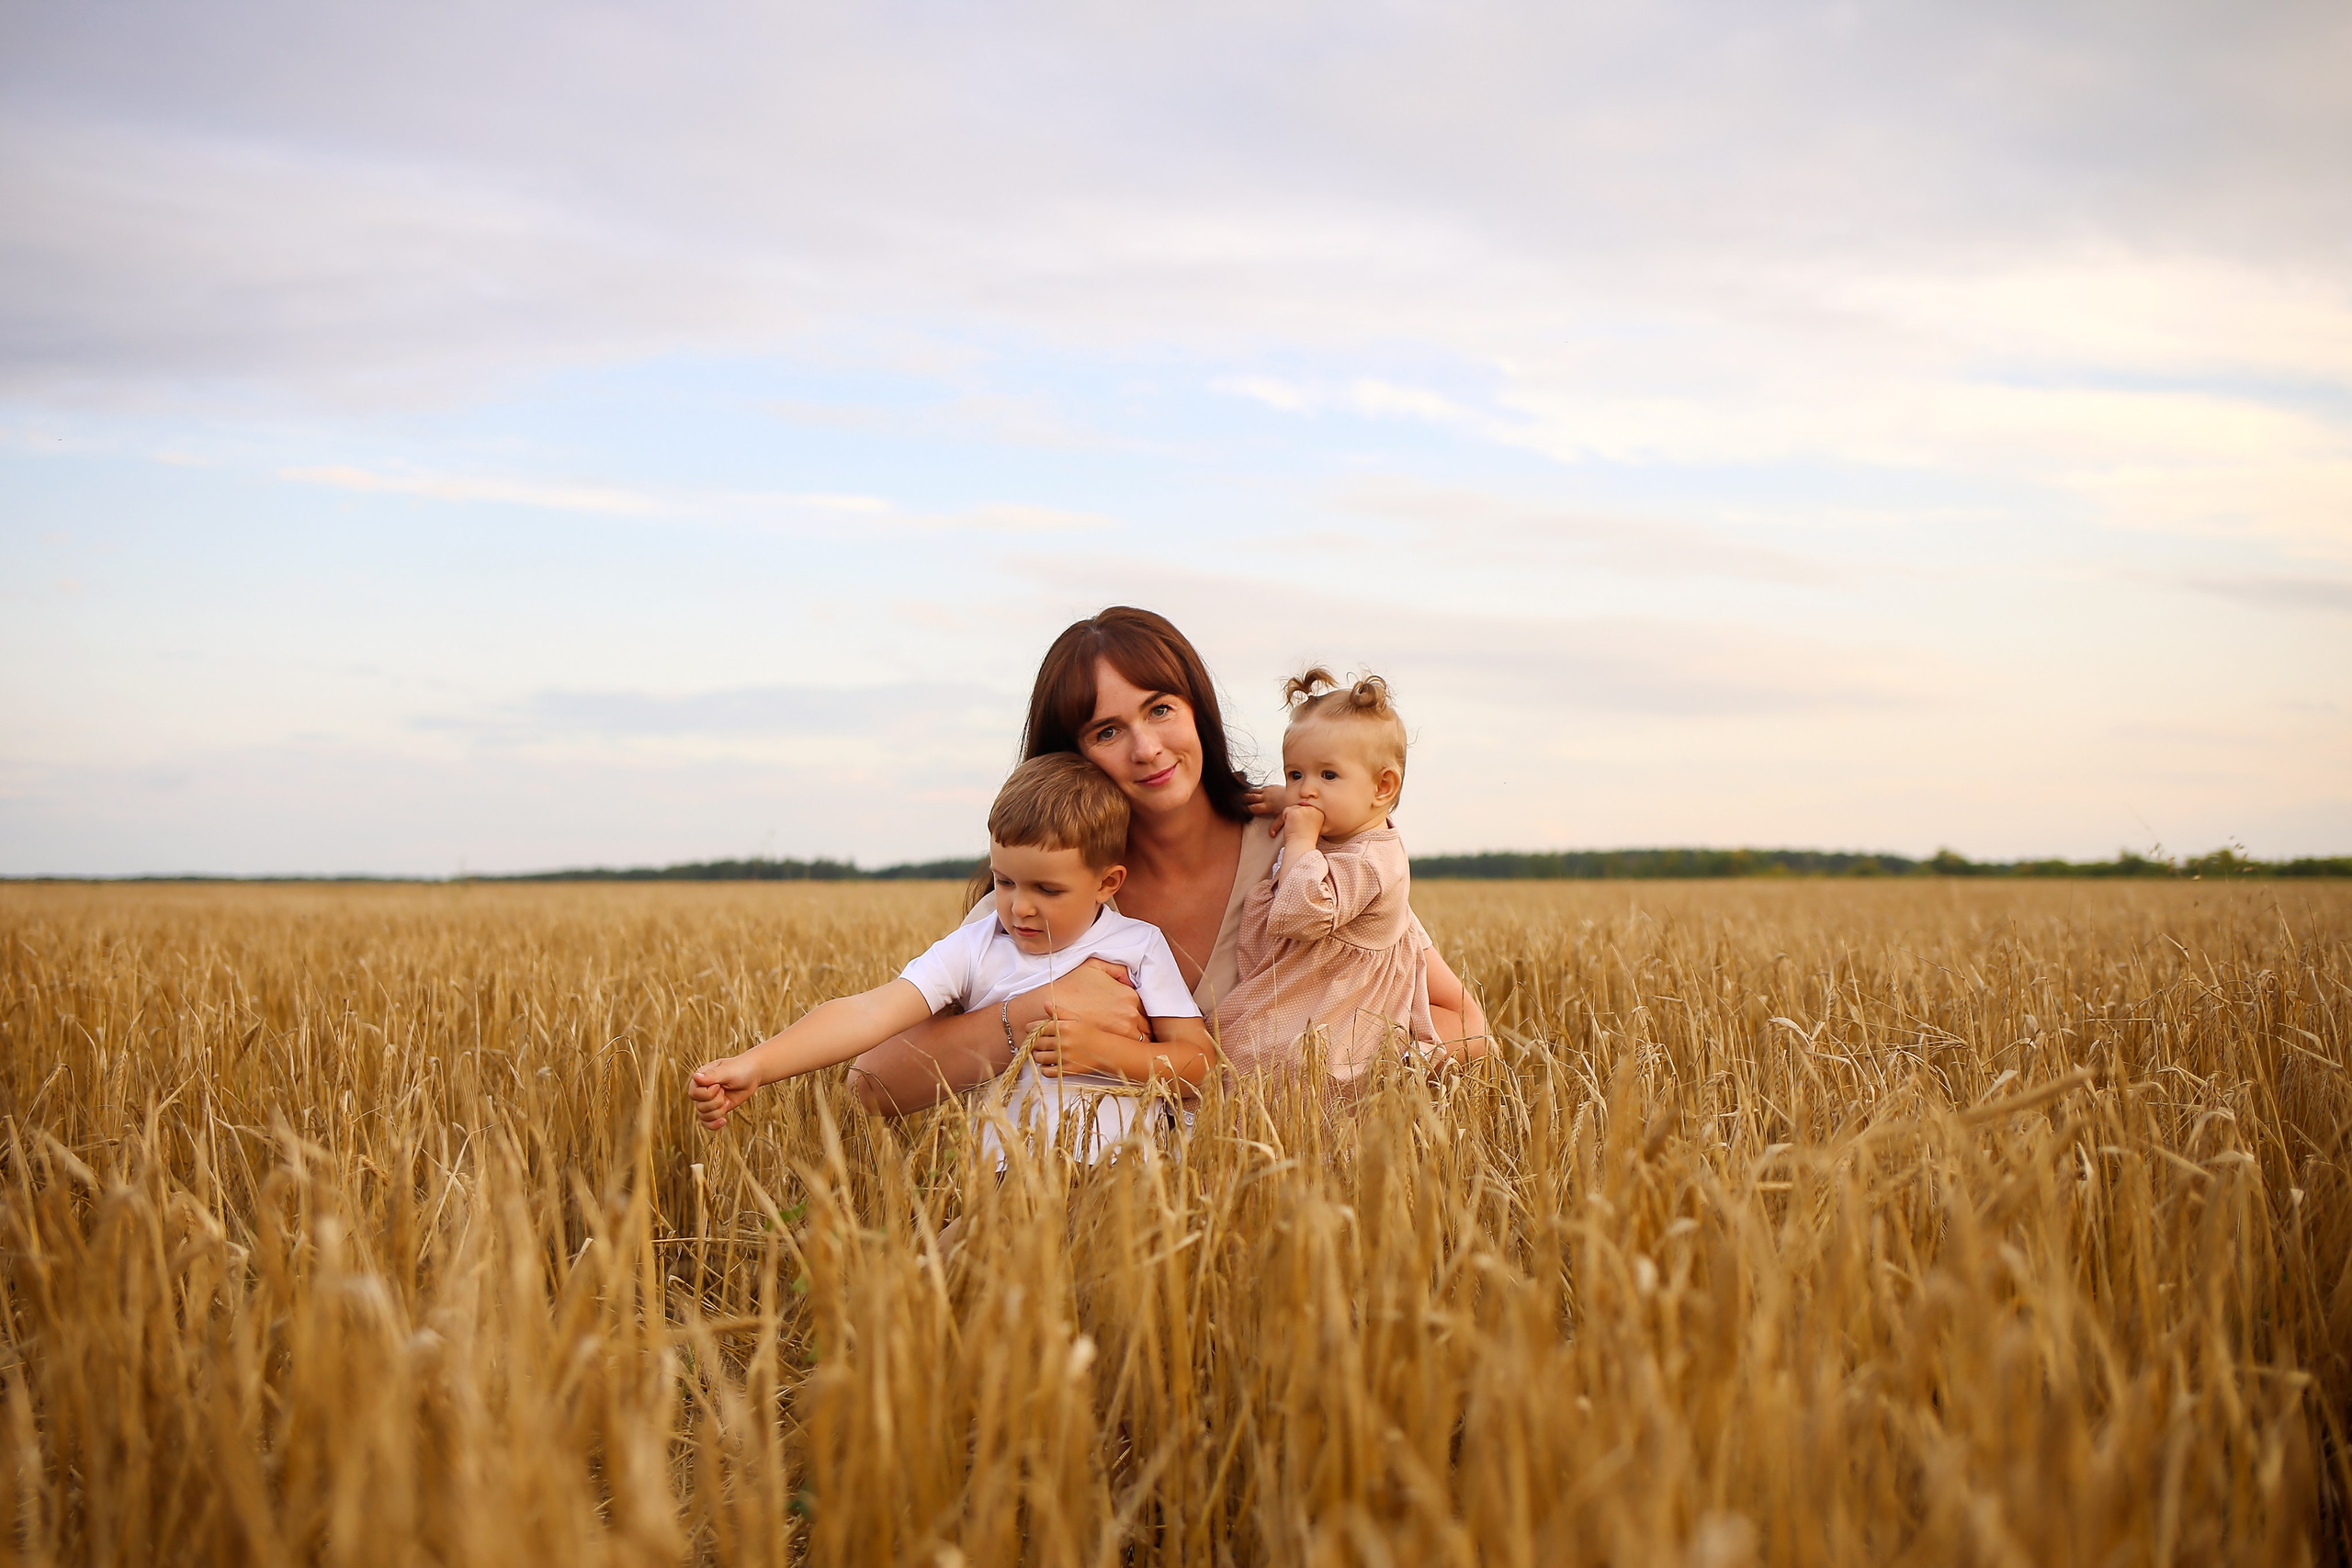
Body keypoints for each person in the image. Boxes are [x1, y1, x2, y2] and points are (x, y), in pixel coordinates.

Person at [849, 607, 1486, 1118]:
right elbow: (871, 1083)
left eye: (1159, 709)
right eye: (1106, 730)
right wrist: (1037, 1012)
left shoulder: (1306, 856)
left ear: (1195, 709)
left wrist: (1345, 1073)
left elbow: (1465, 1022)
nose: (1147, 748)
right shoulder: (1046, 898)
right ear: (1069, 757)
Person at [689, 753, 1214, 1134]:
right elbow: (869, 1013)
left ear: (1108, 883)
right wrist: (758, 1064)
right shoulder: (976, 947)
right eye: (1004, 882)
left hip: (1134, 1189)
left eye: (1047, 890)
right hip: (1009, 1189)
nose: (1019, 907)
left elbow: (1200, 1065)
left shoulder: (1137, 945)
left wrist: (1107, 1052)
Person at [1216, 667, 1434, 1079]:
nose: (1306, 790)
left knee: (1263, 1062)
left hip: (1336, 1017)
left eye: (1327, 775)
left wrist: (1298, 840)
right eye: (1295, 774)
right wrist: (1288, 796)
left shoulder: (1370, 862)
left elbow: (1303, 913)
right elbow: (1317, 795)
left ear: (1382, 788)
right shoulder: (1351, 826)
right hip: (1312, 996)